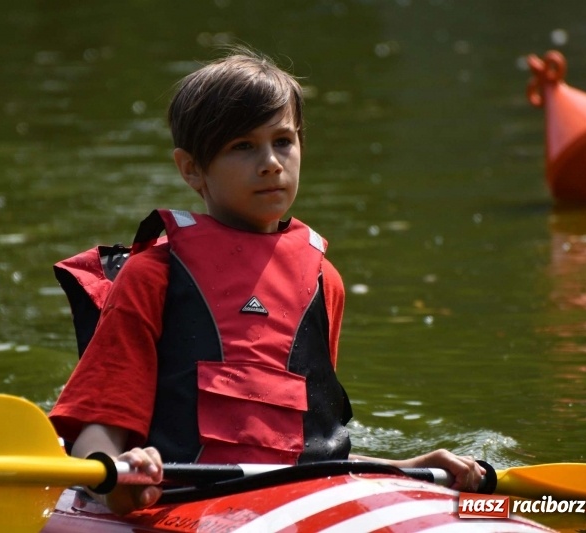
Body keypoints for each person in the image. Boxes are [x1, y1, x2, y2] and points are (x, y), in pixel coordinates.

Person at [49, 47, 485, 515]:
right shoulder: (152, 276)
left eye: (283, 141)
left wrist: (402, 468)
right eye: (243, 146)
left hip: (293, 505)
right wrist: (115, 474)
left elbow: (308, 445)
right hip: (176, 501)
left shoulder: (324, 281)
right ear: (191, 168)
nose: (271, 162)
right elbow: (97, 429)